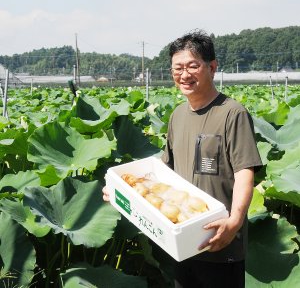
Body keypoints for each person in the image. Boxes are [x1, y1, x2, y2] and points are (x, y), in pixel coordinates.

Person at [103, 29, 262, 288]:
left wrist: (234, 222)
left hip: (219, 243)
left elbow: (245, 172)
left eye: (192, 66)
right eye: (178, 68)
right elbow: (164, 175)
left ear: (212, 67)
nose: (184, 75)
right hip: (181, 241)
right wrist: (122, 194)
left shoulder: (233, 113)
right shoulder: (178, 115)